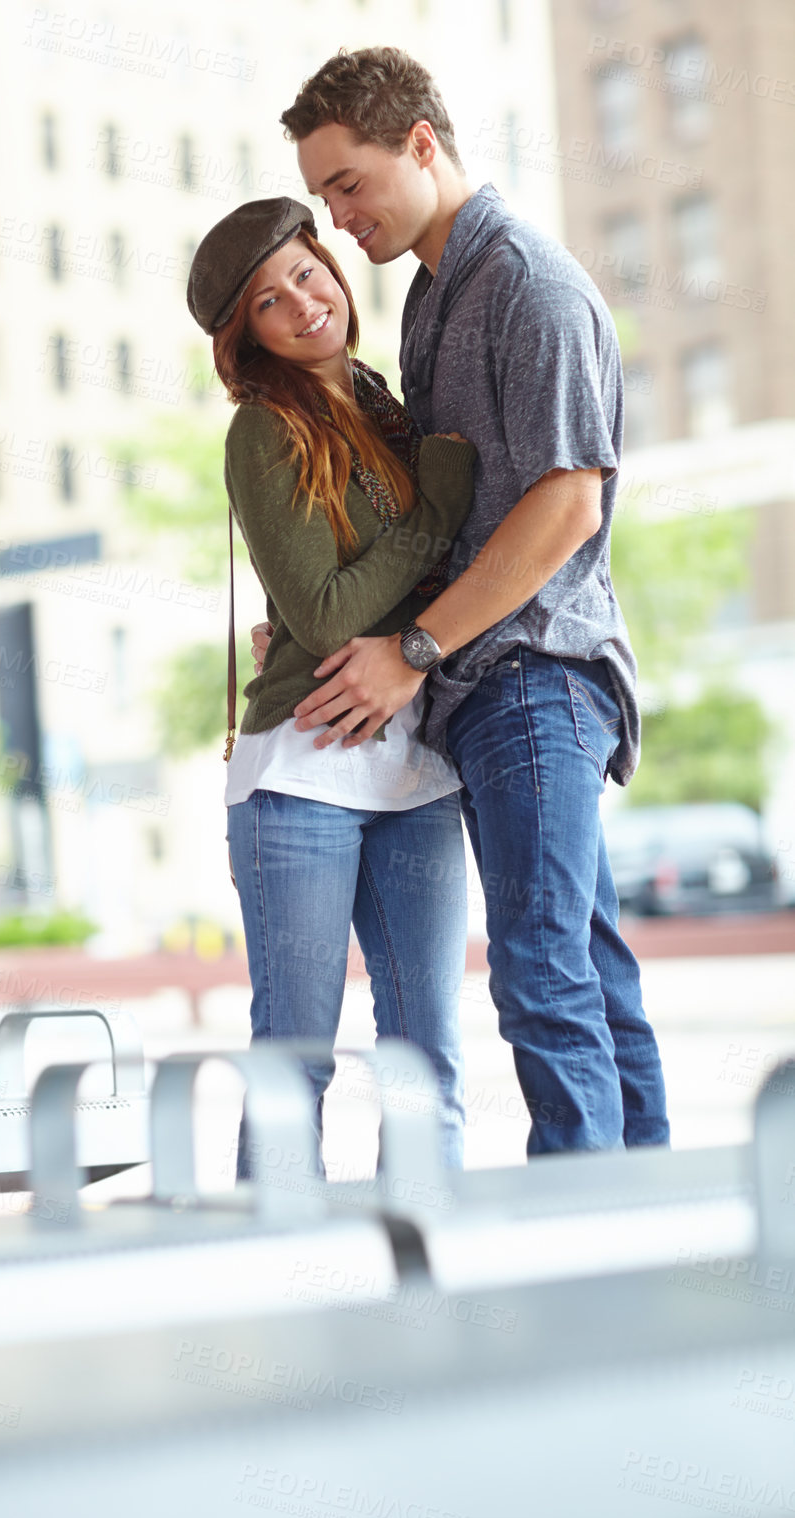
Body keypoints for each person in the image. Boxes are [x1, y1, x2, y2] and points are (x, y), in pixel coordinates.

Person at [252, 47, 670, 1156]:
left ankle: (580, 1228)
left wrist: (415, 648)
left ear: (422, 146)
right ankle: (647, 1220)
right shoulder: (439, 296)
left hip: (531, 676)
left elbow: (567, 504)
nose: (337, 220)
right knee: (582, 956)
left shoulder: (528, 282)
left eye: (348, 184)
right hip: (484, 688)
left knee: (540, 969)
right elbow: (441, 518)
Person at [186, 197, 478, 1168]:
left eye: (306, 272)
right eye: (270, 302)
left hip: (416, 763)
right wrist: (433, 510)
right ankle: (271, 1280)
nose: (304, 302)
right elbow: (319, 613)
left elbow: (394, 588)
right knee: (298, 1057)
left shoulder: (384, 400)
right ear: (251, 336)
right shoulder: (266, 429)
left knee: (426, 1056)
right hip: (303, 770)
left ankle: (423, 1280)